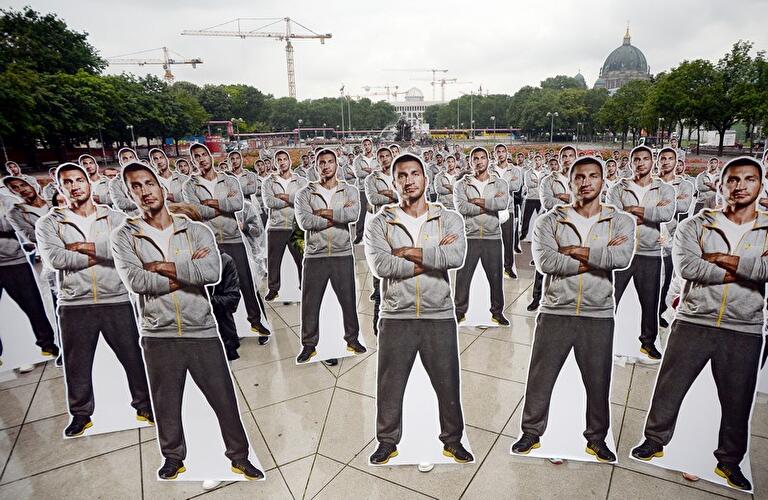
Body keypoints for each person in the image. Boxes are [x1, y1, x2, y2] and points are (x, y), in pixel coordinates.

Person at [112, 162, 263, 481]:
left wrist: (162, 266)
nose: (144, 190)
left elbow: (212, 272)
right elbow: (137, 281)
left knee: (223, 397)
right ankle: (173, 457)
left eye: (148, 183)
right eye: (135, 186)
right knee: (166, 400)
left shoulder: (197, 230)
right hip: (157, 331)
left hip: (201, 327)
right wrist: (185, 271)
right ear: (129, 194)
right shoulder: (124, 236)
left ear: (161, 187)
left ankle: (239, 456)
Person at [631, 157, 768, 492]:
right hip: (694, 317)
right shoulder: (696, 224)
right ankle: (655, 439)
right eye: (733, 180)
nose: (740, 186)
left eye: (749, 179)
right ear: (721, 185)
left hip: (743, 325)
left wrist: (722, 258)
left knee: (737, 399)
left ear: (760, 185)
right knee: (670, 384)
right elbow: (689, 268)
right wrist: (744, 268)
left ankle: (729, 461)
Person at [512, 156, 635, 462]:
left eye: (593, 176)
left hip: (598, 311)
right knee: (542, 374)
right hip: (555, 308)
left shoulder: (620, 220)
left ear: (603, 182)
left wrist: (575, 252)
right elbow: (548, 262)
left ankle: (596, 438)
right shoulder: (549, 220)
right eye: (579, 177)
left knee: (597, 378)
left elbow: (621, 259)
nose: (586, 182)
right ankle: (531, 432)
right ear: (570, 182)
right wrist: (599, 255)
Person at [364, 153, 473, 465]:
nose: (408, 180)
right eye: (401, 175)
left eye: (415, 173)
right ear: (394, 180)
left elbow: (456, 257)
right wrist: (432, 256)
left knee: (448, 380)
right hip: (396, 313)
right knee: (389, 381)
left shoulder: (449, 218)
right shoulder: (380, 221)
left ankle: (452, 440)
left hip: (438, 311)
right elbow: (382, 265)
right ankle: (387, 441)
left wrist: (410, 252)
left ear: (426, 179)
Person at [36, 163, 152, 436]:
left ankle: (144, 404)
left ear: (89, 183)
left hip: (116, 298)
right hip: (74, 302)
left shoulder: (115, 218)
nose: (74, 186)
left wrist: (84, 248)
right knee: (77, 363)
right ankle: (81, 414)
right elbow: (55, 259)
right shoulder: (49, 223)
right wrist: (104, 252)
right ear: (60, 187)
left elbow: (129, 252)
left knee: (133, 356)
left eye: (79, 180)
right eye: (68, 182)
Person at [183, 143, 271, 342]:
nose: (201, 159)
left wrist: (210, 202)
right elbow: (197, 212)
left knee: (247, 284)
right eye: (196, 156)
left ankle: (258, 323)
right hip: (210, 242)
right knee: (219, 288)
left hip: (234, 239)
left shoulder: (229, 179)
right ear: (193, 160)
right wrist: (223, 204)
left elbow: (238, 204)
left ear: (210, 156)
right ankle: (230, 331)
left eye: (204, 154)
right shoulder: (190, 185)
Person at [294, 149, 365, 362]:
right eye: (321, 162)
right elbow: (305, 222)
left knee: (348, 299)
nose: (326, 166)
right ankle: (308, 345)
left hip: (342, 252)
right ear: (316, 167)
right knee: (310, 302)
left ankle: (352, 339)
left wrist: (325, 213)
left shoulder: (349, 190)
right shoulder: (304, 193)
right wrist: (337, 217)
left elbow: (353, 216)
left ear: (336, 165)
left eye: (330, 162)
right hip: (315, 254)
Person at [607, 145, 676, 360]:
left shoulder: (664, 189)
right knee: (610, 298)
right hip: (622, 251)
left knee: (650, 300)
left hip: (651, 251)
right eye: (637, 159)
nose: (641, 163)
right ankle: (603, 339)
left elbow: (666, 214)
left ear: (652, 162)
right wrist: (650, 213)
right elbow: (614, 217)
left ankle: (648, 342)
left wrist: (633, 210)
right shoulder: (618, 188)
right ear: (631, 162)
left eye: (646, 159)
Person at [453, 147, 510, 325]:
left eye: (482, 158)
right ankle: (459, 311)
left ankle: (497, 312)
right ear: (470, 162)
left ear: (488, 160)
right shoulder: (461, 184)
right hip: (470, 236)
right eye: (475, 158)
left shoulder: (500, 183)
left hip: (493, 236)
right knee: (463, 277)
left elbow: (503, 204)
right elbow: (462, 208)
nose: (479, 161)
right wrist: (489, 205)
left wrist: (479, 201)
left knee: (496, 277)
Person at [262, 149, 308, 301]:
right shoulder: (268, 182)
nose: (282, 162)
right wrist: (291, 200)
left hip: (296, 226)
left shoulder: (300, 180)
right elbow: (269, 202)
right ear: (275, 163)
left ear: (289, 161)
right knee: (273, 260)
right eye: (279, 160)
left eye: (284, 159)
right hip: (276, 226)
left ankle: (305, 285)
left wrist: (284, 197)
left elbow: (304, 200)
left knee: (301, 258)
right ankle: (273, 289)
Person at [494, 143, 522, 279]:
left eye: (502, 151)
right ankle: (494, 267)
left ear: (507, 153)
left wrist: (499, 186)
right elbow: (488, 186)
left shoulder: (515, 170)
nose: (500, 154)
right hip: (492, 209)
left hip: (508, 208)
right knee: (492, 240)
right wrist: (507, 183)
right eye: (498, 151)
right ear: (495, 154)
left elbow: (516, 186)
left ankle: (508, 267)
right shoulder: (490, 169)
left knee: (508, 240)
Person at [353, 138, 377, 244]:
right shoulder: (357, 160)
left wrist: (369, 171)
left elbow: (380, 171)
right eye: (365, 145)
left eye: (368, 144)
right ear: (362, 147)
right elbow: (358, 174)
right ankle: (359, 235)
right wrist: (372, 172)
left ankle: (377, 236)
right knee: (361, 213)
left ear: (372, 146)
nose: (367, 146)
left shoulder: (377, 158)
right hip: (362, 189)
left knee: (377, 213)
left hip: (375, 189)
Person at [109, 148, 140, 214]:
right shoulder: (115, 183)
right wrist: (143, 201)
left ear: (136, 159)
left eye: (131, 157)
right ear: (120, 162)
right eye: (125, 158)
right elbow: (121, 203)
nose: (129, 160)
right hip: (133, 218)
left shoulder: (147, 176)